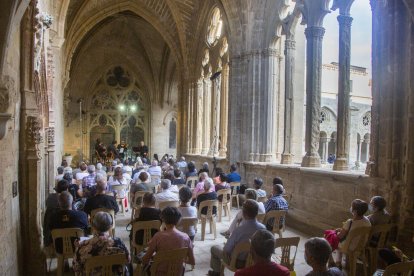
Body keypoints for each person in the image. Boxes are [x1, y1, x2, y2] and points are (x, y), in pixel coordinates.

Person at [209, 200, 266, 276]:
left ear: (244, 214)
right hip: (254, 261)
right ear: (256, 213)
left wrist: (229, 243)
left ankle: (216, 273)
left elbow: (227, 250)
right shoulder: (263, 228)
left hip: (237, 262)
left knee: (214, 248)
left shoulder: (238, 230)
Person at [142, 207, 195, 275]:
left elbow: (145, 260)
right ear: (178, 220)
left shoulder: (158, 236)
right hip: (177, 273)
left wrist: (155, 257)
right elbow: (192, 261)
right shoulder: (186, 237)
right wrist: (178, 258)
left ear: (163, 219)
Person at [334, 199, 371, 267]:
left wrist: (337, 232)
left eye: (352, 207)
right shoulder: (367, 221)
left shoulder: (350, 222)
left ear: (355, 211)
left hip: (349, 247)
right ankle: (347, 262)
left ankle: (338, 262)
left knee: (335, 241)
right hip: (360, 246)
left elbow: (340, 236)